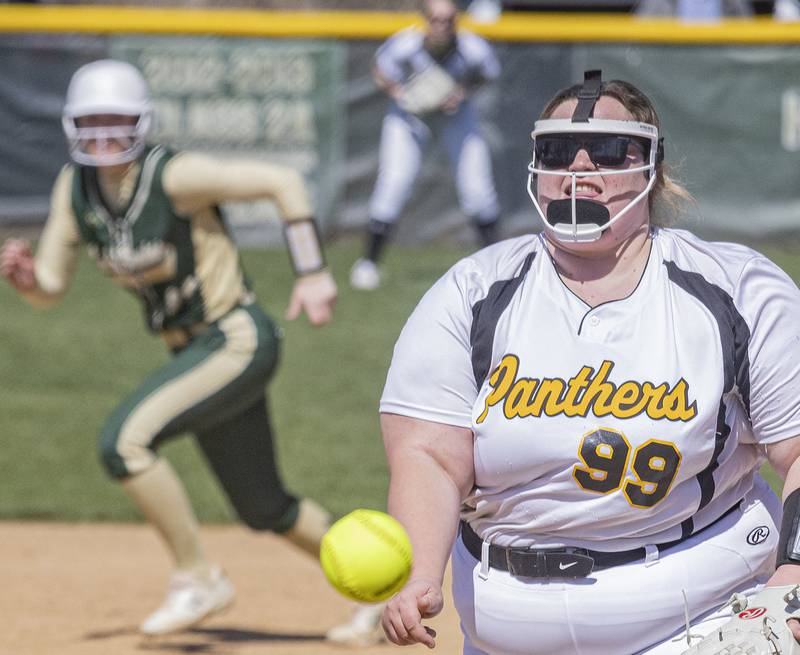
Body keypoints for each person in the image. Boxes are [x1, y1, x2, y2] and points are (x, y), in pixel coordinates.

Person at [377, 69, 800, 654]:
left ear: (651, 167)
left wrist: (796, 575)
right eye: (556, 151)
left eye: (605, 150)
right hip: (508, 620)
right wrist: (420, 573)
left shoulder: (737, 288)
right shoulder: (473, 291)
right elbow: (428, 455)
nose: (578, 167)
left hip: (700, 611)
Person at [0, 58, 381, 644]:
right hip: (195, 350)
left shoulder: (173, 177)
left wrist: (311, 270)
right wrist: (27, 280)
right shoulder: (74, 188)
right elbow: (51, 288)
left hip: (235, 337)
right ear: (71, 126)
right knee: (264, 506)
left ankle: (195, 576)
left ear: (141, 123)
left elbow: (285, 183)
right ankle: (379, 596)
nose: (103, 135)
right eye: (90, 122)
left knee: (123, 443)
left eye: (116, 121)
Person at [349, 0, 502, 291]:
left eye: (448, 19)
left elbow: (488, 73)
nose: (441, 25)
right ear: (425, 20)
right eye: (435, 19)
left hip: (455, 114)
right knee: (394, 183)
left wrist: (462, 92)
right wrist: (402, 92)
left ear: (456, 19)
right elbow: (380, 69)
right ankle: (368, 263)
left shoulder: (472, 47)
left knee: (477, 189)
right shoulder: (406, 43)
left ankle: (500, 263)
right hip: (411, 116)